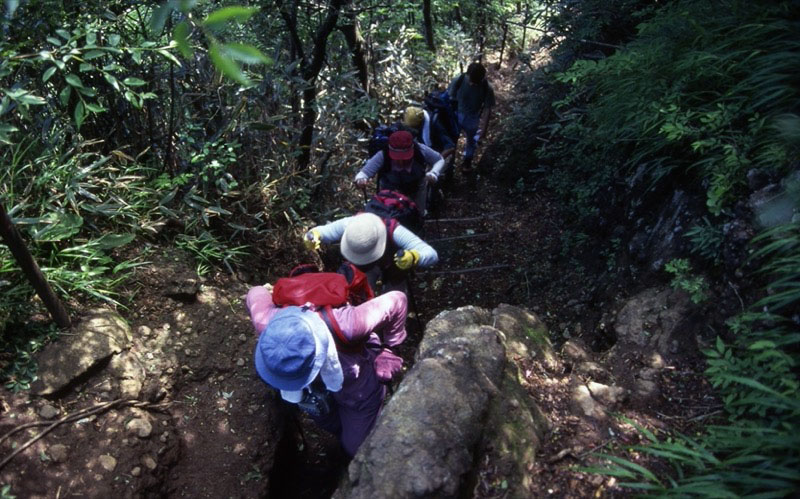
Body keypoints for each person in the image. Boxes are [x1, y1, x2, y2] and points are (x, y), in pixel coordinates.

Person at [247, 285, 408, 458]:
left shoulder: (348, 324)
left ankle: (348, 445)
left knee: (355, 447)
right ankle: (341, 435)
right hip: (316, 391)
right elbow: (255, 292)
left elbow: (397, 300)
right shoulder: (266, 322)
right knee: (329, 422)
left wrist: (390, 349)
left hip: (357, 386)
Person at [304, 212, 438, 292]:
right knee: (359, 291)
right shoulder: (351, 225)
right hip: (365, 268)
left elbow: (431, 254)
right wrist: (313, 235)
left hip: (395, 263)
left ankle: (392, 332)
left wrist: (414, 257)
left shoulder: (395, 231)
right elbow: (322, 232)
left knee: (395, 295)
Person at [355, 130, 445, 216]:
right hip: (389, 192)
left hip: (417, 189)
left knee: (417, 216)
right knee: (390, 217)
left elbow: (439, 160)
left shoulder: (421, 150)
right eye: (397, 157)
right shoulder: (383, 155)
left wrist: (434, 173)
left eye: (405, 157)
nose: (401, 161)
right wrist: (361, 179)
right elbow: (363, 173)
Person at [447, 62, 496, 177]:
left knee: (471, 142)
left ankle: (467, 163)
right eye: (471, 80)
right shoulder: (458, 80)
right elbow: (449, 98)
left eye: (475, 82)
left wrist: (484, 129)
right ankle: (450, 166)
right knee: (452, 142)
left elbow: (487, 110)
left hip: (473, 117)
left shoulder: (487, 88)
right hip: (456, 115)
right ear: (467, 74)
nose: (472, 84)